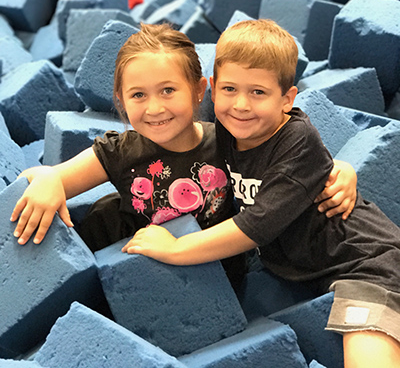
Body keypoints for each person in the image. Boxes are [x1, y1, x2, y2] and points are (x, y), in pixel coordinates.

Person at [126, 20, 400, 368]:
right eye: (229, 89)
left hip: (365, 263)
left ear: (287, 99)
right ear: (211, 89)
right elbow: (152, 140)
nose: (240, 104)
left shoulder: (297, 140)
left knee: (368, 349)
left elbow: (255, 226)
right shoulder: (227, 123)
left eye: (258, 92)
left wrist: (177, 249)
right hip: (306, 270)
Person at [11, 23, 355, 286]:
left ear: (199, 90)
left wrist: (340, 170)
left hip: (213, 278)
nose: (155, 107)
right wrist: (47, 180)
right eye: (138, 95)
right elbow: (53, 177)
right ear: (121, 99)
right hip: (127, 269)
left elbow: (288, 157)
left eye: (168, 90)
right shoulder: (119, 150)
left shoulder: (229, 140)